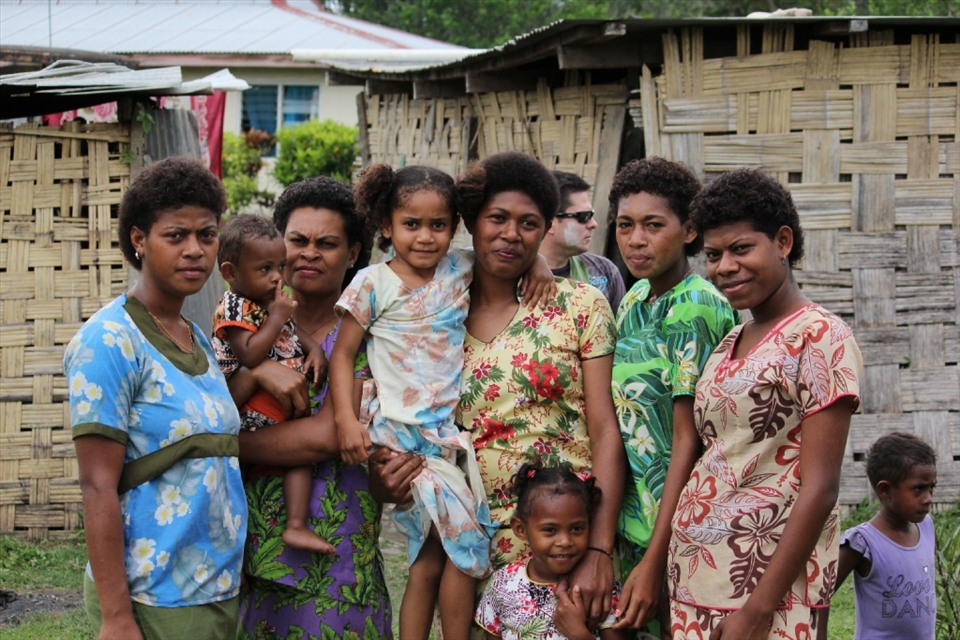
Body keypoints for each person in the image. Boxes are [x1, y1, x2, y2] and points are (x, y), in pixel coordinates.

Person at [331, 163, 555, 639]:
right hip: (398, 432)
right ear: (386, 226)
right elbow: (343, 353)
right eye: (411, 224)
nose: (426, 237)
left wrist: (538, 262)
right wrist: (348, 424)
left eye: (438, 225)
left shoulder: (459, 268)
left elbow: (508, 256)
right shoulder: (373, 283)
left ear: (454, 228)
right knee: (463, 547)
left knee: (429, 555)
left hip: (442, 437)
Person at [666, 168, 863, 639]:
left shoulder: (820, 337)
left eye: (741, 249)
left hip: (763, 588)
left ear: (783, 241)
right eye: (712, 256)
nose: (724, 267)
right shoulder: (729, 341)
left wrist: (757, 610)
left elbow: (820, 488)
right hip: (696, 576)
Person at [66, 157, 246, 640]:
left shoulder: (198, 339)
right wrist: (117, 617)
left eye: (207, 235)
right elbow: (97, 486)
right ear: (139, 240)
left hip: (216, 589)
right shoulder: (109, 341)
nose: (195, 251)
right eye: (176, 235)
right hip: (152, 595)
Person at [229, 177, 413, 639]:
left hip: (336, 550)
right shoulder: (244, 324)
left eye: (326, 243)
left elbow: (328, 435)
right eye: (297, 240)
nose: (308, 253)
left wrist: (220, 445)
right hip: (246, 546)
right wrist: (254, 373)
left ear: (353, 254)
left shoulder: (368, 334)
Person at [455, 151, 626, 636]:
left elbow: (604, 429)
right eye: (497, 218)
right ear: (473, 221)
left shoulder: (580, 305)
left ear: (545, 227)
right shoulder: (439, 311)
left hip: (565, 540)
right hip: (473, 539)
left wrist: (598, 547)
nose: (511, 234)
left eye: (528, 223)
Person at [607, 159, 739, 635]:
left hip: (680, 529)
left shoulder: (696, 305)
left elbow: (689, 439)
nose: (636, 239)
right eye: (626, 225)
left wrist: (658, 556)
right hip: (634, 524)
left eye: (653, 225)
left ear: (689, 232)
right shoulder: (636, 297)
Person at [211, 214, 333, 554]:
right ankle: (238, 553)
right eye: (264, 269)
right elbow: (249, 356)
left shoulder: (271, 302)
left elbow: (295, 331)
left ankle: (295, 525)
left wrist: (316, 352)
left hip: (279, 400)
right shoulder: (233, 306)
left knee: (298, 459)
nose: (277, 277)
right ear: (230, 273)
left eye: (280, 266)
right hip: (249, 405)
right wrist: (278, 316)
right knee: (238, 484)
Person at [476, 461, 627, 640]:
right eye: (550, 530)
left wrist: (579, 634)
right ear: (520, 529)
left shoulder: (599, 587)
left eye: (577, 528)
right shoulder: (503, 583)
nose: (565, 541)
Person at [836, 432, 938, 640]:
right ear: (885, 490)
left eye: (931, 488)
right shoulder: (862, 542)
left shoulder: (926, 526)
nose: (928, 499)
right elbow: (819, 597)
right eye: (918, 489)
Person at [540, 171, 625, 311]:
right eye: (584, 216)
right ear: (550, 222)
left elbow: (623, 330)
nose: (593, 224)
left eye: (592, 215)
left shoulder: (604, 272)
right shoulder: (513, 276)